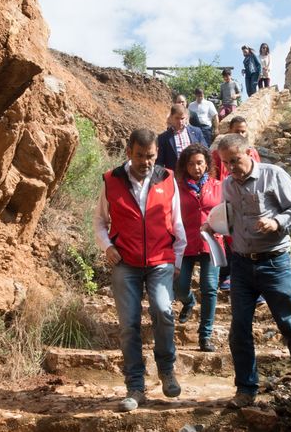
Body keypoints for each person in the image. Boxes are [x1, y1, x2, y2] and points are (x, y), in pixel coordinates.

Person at [212, 133, 291, 422]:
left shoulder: (274, 175)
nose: (231, 169)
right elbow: (228, 218)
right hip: (240, 266)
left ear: (248, 153)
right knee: (238, 329)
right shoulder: (227, 185)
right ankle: (246, 389)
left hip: (275, 264)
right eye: (226, 163)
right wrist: (214, 224)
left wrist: (277, 221)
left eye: (235, 161)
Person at [94, 129, 187, 412]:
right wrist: (107, 246)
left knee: (163, 310)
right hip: (125, 263)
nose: (146, 162)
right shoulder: (112, 180)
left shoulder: (168, 179)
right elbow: (99, 220)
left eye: (150, 156)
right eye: (139, 156)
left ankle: (167, 370)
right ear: (128, 152)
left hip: (160, 260)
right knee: (129, 324)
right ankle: (135, 386)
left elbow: (178, 222)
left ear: (157, 153)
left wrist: (178, 261)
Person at [174, 144, 223, 352]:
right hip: (184, 242)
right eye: (192, 163)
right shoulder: (176, 187)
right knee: (179, 286)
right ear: (185, 166)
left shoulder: (219, 186)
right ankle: (189, 301)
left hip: (211, 242)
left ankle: (205, 336)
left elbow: (226, 214)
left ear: (207, 163)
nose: (196, 167)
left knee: (210, 288)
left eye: (200, 162)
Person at [211, 116, 261, 293]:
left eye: (243, 130)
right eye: (237, 131)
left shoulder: (251, 151)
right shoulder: (218, 154)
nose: (241, 133)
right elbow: (214, 175)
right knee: (226, 235)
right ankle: (225, 275)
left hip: (246, 200)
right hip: (226, 197)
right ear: (230, 131)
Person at [157, 104, 206, 171]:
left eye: (182, 118)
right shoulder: (163, 138)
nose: (180, 121)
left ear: (186, 118)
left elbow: (205, 151)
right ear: (171, 117)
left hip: (195, 172)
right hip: (175, 174)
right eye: (177, 118)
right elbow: (159, 162)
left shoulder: (196, 132)